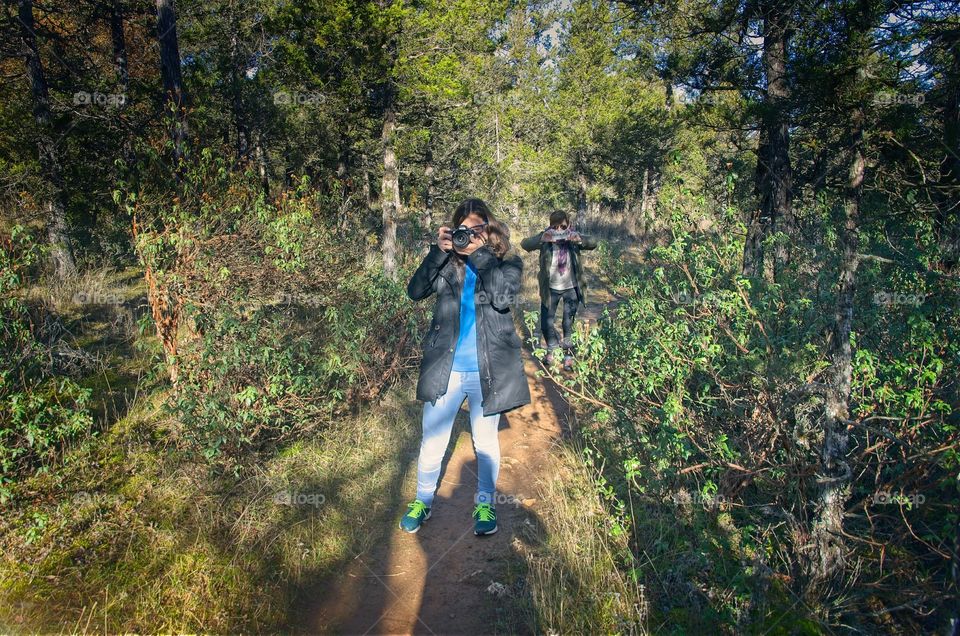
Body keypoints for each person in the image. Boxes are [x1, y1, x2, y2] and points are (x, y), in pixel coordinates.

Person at [400, 198, 532, 536]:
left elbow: (503, 298)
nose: (470, 236)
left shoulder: (508, 263)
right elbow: (415, 291)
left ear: (489, 231)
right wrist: (438, 252)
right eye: (464, 230)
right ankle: (422, 501)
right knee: (432, 440)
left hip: (488, 371)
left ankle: (485, 505)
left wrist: (480, 255)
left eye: (478, 229)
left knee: (485, 443)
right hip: (445, 368)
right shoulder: (446, 262)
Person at [520, 210, 598, 371]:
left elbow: (594, 242)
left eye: (563, 226)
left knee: (567, 323)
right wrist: (542, 238)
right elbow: (525, 244)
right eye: (555, 227)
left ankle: (568, 355)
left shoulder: (573, 237)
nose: (559, 230)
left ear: (568, 224)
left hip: (571, 288)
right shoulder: (546, 237)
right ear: (550, 226)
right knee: (545, 323)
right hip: (550, 289)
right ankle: (551, 349)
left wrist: (579, 239)